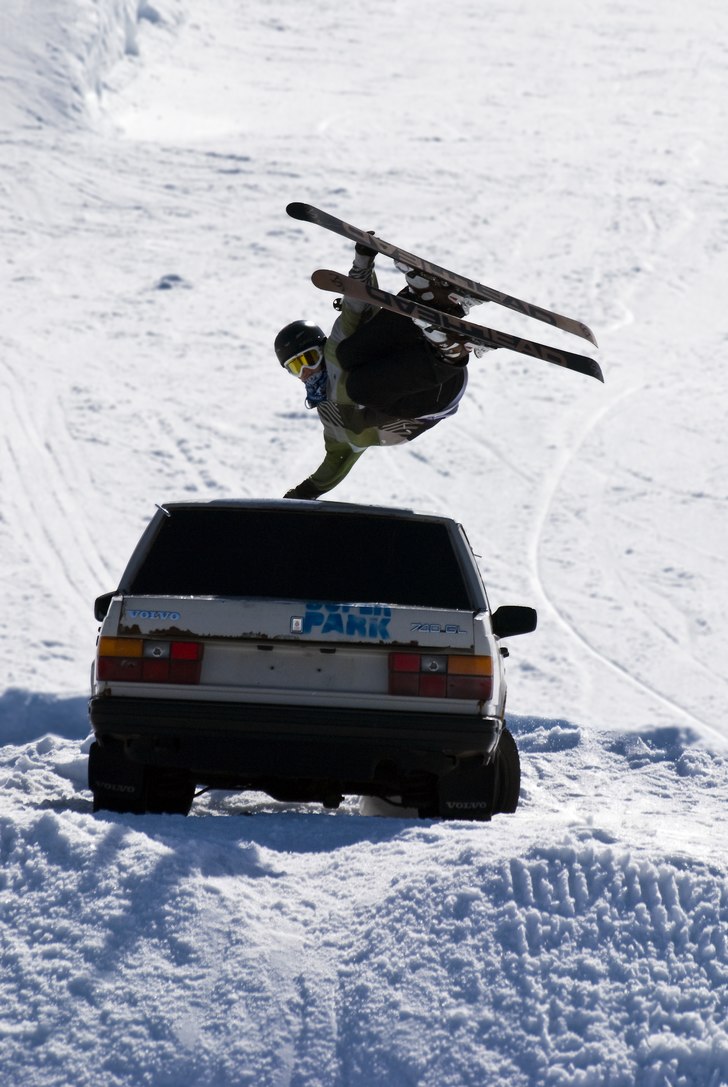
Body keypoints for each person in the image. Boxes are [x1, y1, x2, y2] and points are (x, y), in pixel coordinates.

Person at [276, 239, 485, 500]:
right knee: (357, 384)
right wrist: (303, 494)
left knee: (349, 352)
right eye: (295, 367)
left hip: (422, 358)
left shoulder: (336, 350)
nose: (305, 371)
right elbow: (336, 463)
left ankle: (437, 302)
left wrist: (362, 262)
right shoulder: (332, 421)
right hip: (431, 398)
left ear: (321, 347)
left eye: (308, 358)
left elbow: (358, 305)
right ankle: (447, 351)